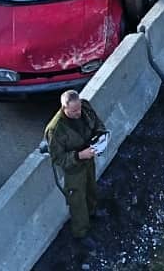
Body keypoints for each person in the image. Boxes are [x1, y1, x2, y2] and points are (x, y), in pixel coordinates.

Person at [44, 90, 110, 240]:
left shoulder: (84, 107)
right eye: (74, 111)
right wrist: (79, 156)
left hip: (89, 158)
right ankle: (81, 232)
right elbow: (58, 159)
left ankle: (93, 212)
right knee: (77, 201)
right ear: (64, 108)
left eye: (79, 108)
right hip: (74, 170)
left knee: (91, 188)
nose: (78, 113)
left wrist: (100, 136)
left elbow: (97, 123)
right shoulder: (55, 130)